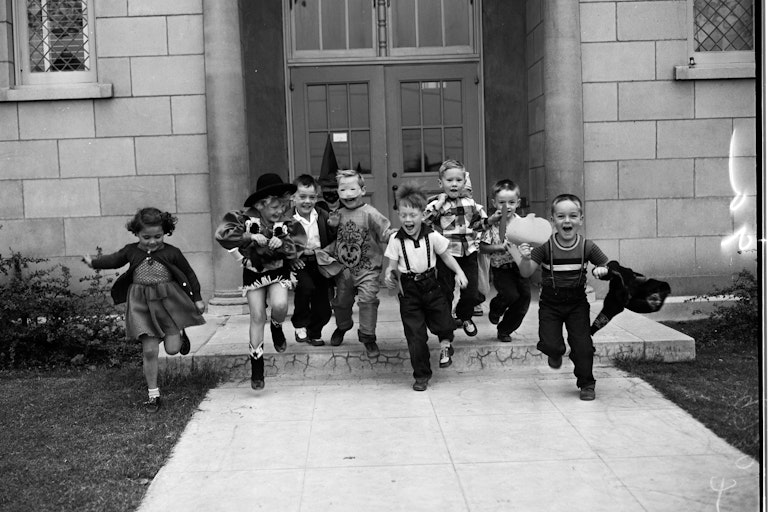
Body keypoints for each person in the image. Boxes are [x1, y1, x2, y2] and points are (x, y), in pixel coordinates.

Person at [82, 207, 206, 413]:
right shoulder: (131, 251)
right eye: (146, 237)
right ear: (136, 233)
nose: (152, 241)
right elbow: (114, 260)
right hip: (141, 304)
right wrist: (93, 262)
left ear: (165, 232)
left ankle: (178, 333)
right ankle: (153, 394)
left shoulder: (172, 252)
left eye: (158, 236)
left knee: (172, 349)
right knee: (149, 350)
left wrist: (198, 298)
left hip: (168, 302)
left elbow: (189, 274)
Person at [515, 194, 608, 401]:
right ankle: (555, 352)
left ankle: (587, 383)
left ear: (581, 219)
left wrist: (602, 270)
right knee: (550, 343)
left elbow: (604, 264)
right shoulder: (545, 246)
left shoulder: (587, 246)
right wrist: (525, 258)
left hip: (577, 304)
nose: (567, 221)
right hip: (550, 304)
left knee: (582, 345)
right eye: (561, 216)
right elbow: (526, 272)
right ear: (552, 221)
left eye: (573, 216)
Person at [214, 173, 298, 390]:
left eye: (282, 206)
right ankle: (257, 369)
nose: (280, 211)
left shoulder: (286, 221)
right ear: (261, 205)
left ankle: (277, 327)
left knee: (279, 306)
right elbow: (222, 235)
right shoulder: (242, 218)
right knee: (258, 315)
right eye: (275, 207)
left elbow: (298, 243)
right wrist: (249, 237)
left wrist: (283, 241)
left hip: (279, 269)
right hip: (254, 271)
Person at [384, 183, 468, 391]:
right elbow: (392, 265)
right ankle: (421, 375)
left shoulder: (432, 235)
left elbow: (446, 257)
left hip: (431, 286)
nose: (408, 220)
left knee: (443, 322)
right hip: (409, 291)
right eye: (403, 215)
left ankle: (446, 344)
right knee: (415, 335)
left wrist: (460, 272)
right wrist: (389, 275)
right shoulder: (395, 240)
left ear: (422, 214)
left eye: (412, 215)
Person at [326, 169, 394, 358]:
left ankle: (367, 336)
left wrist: (395, 237)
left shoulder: (370, 213)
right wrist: (331, 227)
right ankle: (343, 326)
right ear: (338, 192)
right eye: (343, 190)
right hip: (344, 271)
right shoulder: (336, 215)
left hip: (368, 270)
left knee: (368, 301)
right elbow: (330, 240)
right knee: (341, 303)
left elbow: (385, 231)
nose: (348, 194)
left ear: (363, 190)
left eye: (353, 189)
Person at [423, 159, 489, 337]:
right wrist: (439, 202)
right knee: (445, 291)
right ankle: (446, 323)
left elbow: (480, 224)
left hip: (468, 253)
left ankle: (464, 315)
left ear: (464, 182)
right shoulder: (437, 205)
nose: (454, 184)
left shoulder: (471, 204)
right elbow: (424, 224)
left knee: (472, 292)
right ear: (441, 183)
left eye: (458, 180)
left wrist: (492, 221)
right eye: (449, 180)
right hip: (447, 255)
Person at [480, 179, 531, 342]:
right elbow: (482, 248)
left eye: (511, 202)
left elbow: (531, 243)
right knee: (510, 295)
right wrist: (498, 247)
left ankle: (505, 329)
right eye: (502, 202)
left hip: (520, 266)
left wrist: (527, 250)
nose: (506, 206)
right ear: (494, 202)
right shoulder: (491, 225)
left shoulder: (522, 223)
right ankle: (496, 307)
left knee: (524, 299)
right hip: (501, 268)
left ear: (518, 203)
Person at [289, 174, 337, 346]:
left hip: (319, 261)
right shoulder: (287, 220)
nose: (307, 201)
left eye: (312, 197)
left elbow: (332, 238)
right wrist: (292, 258)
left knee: (324, 307)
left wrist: (333, 227)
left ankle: (314, 331)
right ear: (293, 197)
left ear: (317, 197)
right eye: (302, 197)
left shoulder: (323, 216)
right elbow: (282, 243)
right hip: (299, 262)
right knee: (305, 287)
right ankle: (300, 323)